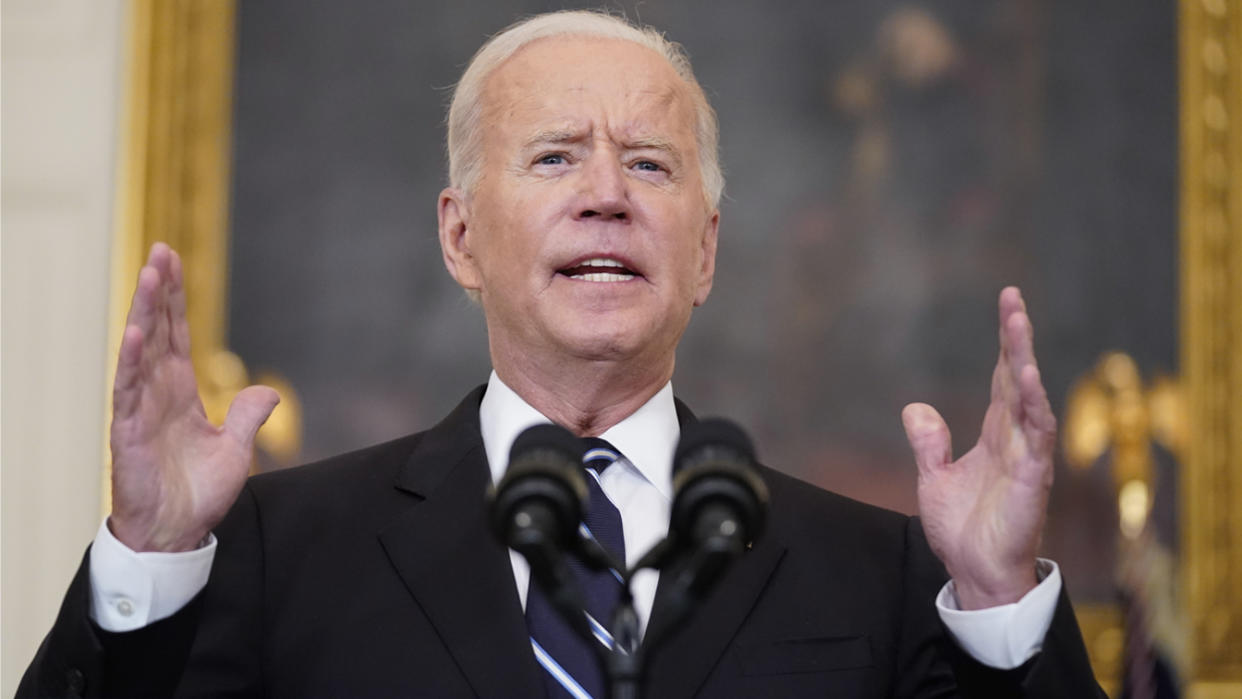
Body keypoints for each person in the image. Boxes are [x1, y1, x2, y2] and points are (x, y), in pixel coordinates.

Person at [20, 10, 1102, 698]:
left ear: (707, 251)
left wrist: (1003, 601)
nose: (606, 196)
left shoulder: (887, 573)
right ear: (460, 237)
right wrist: (149, 560)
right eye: (553, 158)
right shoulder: (273, 552)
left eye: (649, 164)